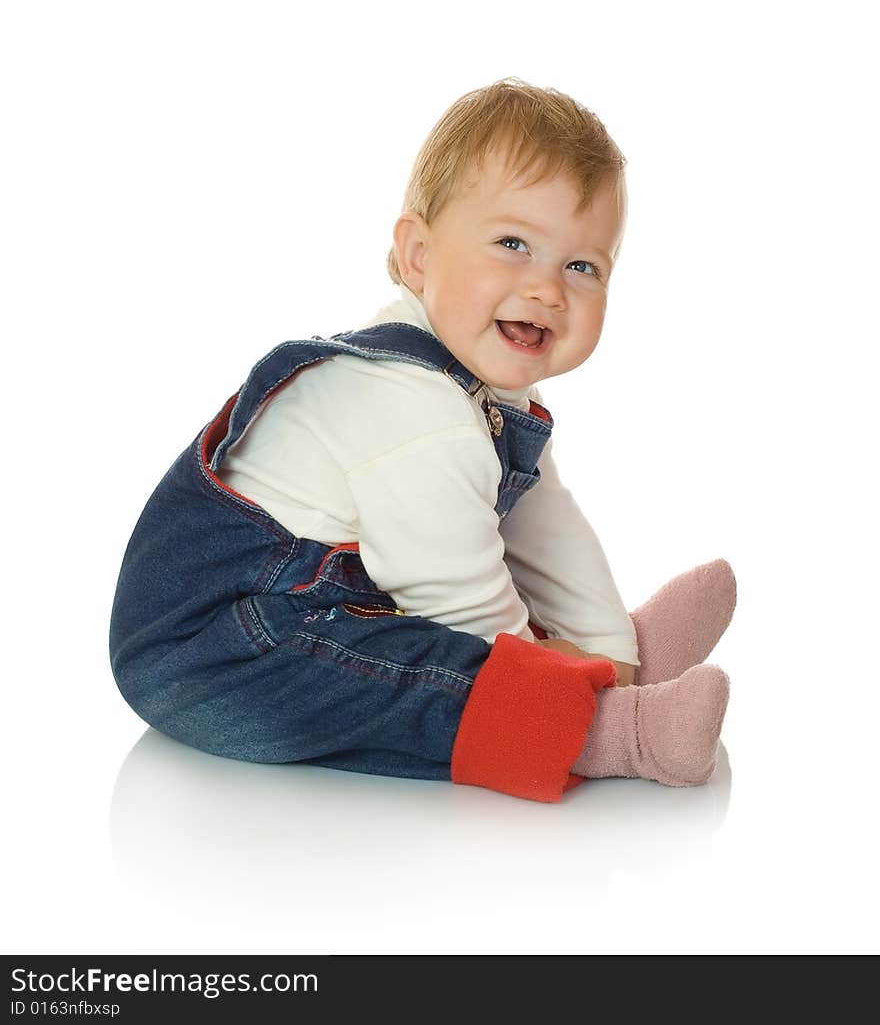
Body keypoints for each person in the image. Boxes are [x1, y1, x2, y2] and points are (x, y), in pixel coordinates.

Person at [110, 77, 734, 802]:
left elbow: (546, 527)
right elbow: (456, 597)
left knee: (416, 646)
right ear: (417, 256)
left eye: (581, 265)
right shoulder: (416, 405)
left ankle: (628, 673)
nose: (547, 289)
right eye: (512, 243)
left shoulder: (489, 393)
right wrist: (545, 676)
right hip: (215, 654)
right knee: (404, 681)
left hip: (311, 612)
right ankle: (610, 732)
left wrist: (607, 645)